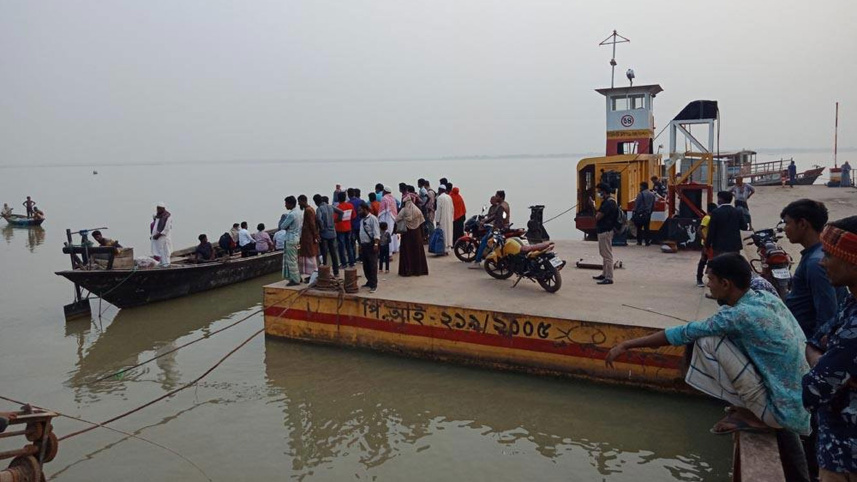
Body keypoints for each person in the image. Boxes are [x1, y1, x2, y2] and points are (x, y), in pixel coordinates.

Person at [606, 253, 811, 442]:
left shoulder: (737, 315)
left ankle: (752, 415)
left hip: (780, 414)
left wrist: (626, 344)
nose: (708, 285)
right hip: (800, 407)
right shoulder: (767, 299)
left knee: (706, 340)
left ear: (725, 284)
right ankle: (752, 408)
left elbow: (684, 332)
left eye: (711, 279)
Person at [803, 216, 857, 481]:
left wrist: (821, 364)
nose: (822, 262)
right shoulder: (851, 302)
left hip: (846, 457)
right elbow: (816, 340)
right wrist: (826, 364)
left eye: (829, 255)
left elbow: (813, 390)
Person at [781, 199, 845, 339]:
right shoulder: (818, 253)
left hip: (808, 339)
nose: (784, 228)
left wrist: (815, 345)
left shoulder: (816, 263)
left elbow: (827, 313)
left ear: (802, 224)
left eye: (787, 223)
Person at [705, 191, 746, 257]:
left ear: (721, 199)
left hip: (719, 246)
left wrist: (707, 245)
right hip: (734, 246)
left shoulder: (715, 212)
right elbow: (744, 227)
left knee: (720, 262)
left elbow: (711, 231)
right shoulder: (738, 211)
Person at [396, 196, 429, 277]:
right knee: (417, 251)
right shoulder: (417, 210)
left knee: (407, 251)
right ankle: (419, 270)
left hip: (407, 234)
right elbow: (422, 222)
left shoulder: (404, 211)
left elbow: (397, 219)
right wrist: (423, 235)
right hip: (416, 234)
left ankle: (408, 270)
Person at [594, 183, 617, 285]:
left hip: (605, 231)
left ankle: (609, 277)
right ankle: (604, 273)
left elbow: (598, 216)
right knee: (603, 253)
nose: (598, 193)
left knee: (607, 255)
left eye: (599, 191)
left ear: (604, 191)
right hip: (605, 230)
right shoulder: (611, 201)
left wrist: (593, 207)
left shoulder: (608, 203)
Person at [471, 195, 502, 268]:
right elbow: (489, 216)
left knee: (484, 241)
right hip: (494, 227)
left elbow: (492, 218)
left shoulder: (498, 208)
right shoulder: (495, 207)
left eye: (492, 199)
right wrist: (484, 219)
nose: (490, 201)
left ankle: (477, 261)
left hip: (493, 227)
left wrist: (484, 222)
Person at [314, 194, 340, 276]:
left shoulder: (319, 209)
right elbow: (341, 212)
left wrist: (321, 228)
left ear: (315, 202)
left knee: (324, 252)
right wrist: (337, 220)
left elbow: (319, 219)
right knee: (333, 253)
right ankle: (336, 271)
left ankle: (324, 271)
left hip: (324, 233)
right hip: (332, 232)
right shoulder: (331, 207)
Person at [357, 203, 381, 293]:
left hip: (371, 245)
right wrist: (360, 245)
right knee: (366, 265)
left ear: (365, 209)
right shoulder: (362, 220)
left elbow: (376, 232)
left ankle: (374, 285)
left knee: (372, 265)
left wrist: (376, 244)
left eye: (360, 210)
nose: (359, 212)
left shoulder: (373, 219)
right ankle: (369, 281)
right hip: (364, 245)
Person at [279, 196, 301, 286]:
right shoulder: (298, 213)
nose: (285, 205)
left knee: (291, 260)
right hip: (296, 237)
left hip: (290, 238)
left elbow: (282, 226)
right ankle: (297, 277)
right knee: (294, 259)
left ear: (290, 204)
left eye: (286, 204)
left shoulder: (291, 215)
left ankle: (295, 280)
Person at [696, 203, 719, 287]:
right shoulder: (707, 218)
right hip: (707, 243)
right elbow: (699, 230)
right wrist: (705, 240)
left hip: (711, 243)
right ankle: (699, 278)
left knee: (709, 261)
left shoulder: (713, 218)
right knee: (703, 260)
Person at [298, 195, 319, 282]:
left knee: (310, 256)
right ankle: (311, 275)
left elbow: (312, 224)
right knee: (309, 256)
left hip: (308, 237)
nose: (299, 204)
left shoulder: (308, 210)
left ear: (303, 201)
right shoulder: (310, 209)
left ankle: (313, 275)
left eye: (299, 202)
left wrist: (315, 235)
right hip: (307, 237)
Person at [334, 192, 355, 269]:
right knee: (349, 245)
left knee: (341, 247)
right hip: (348, 227)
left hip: (340, 229)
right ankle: (351, 262)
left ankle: (344, 263)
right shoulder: (350, 205)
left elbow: (335, 219)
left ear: (338, 199)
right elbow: (353, 216)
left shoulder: (338, 207)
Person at [632, 182, 656, 246]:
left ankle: (639, 241)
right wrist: (650, 212)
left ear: (643, 186)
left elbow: (637, 204)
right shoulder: (652, 194)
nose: (640, 188)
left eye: (640, 186)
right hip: (648, 213)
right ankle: (647, 242)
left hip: (640, 213)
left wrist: (634, 210)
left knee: (639, 228)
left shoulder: (640, 194)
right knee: (647, 228)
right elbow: (653, 205)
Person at [378, 186, 400, 255]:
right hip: (393, 217)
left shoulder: (384, 198)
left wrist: (380, 219)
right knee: (393, 233)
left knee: (387, 233)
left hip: (387, 217)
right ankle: (395, 248)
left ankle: (389, 252)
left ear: (385, 191)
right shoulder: (393, 198)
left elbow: (382, 210)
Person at [150, 202, 173, 267]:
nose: (157, 210)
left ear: (163, 208)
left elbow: (166, 229)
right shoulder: (158, 216)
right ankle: (162, 265)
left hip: (163, 238)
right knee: (159, 252)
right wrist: (153, 236)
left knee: (165, 252)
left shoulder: (167, 217)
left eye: (159, 208)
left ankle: (166, 265)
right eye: (157, 208)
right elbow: (155, 226)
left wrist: (158, 235)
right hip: (157, 240)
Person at [434, 185, 454, 254]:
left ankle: (443, 249)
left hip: (442, 219)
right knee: (449, 233)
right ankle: (448, 249)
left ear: (440, 190)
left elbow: (438, 210)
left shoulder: (440, 198)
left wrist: (437, 220)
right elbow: (452, 208)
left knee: (443, 234)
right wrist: (451, 218)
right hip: (449, 218)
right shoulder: (449, 197)